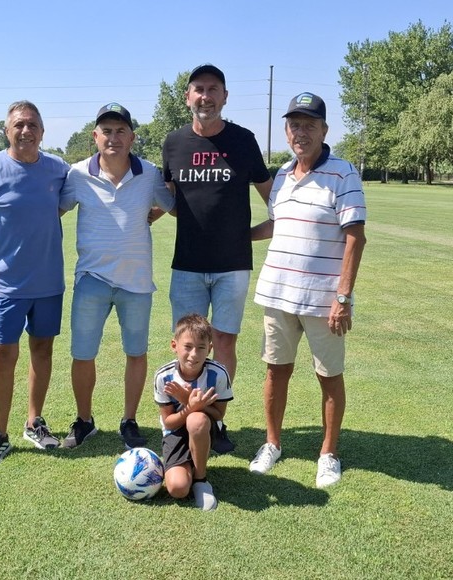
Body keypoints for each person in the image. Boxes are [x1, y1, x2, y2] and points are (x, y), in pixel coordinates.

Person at [248, 92, 367, 488]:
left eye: (309, 125)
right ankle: (272, 444)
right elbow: (275, 226)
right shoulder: (281, 175)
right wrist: (236, 237)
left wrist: (343, 298)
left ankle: (328, 453)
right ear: (287, 131)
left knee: (329, 376)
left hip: (323, 301)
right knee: (275, 372)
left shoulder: (343, 173)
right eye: (295, 125)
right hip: (278, 293)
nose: (301, 133)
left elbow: (355, 237)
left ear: (324, 130)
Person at [160, 63, 273, 453]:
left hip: (232, 265)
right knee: (188, 345)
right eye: (198, 90)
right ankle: (183, 419)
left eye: (213, 90)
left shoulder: (243, 140)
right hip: (187, 264)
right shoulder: (173, 142)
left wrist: (251, 235)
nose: (205, 97)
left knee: (224, 343)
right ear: (187, 97)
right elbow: (168, 201)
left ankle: (215, 418)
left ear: (225, 97)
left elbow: (276, 201)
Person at [0, 100, 70, 468]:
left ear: (42, 131)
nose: (26, 130)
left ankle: (34, 423)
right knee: (2, 356)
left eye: (32, 124)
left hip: (49, 282)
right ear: (7, 130)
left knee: (43, 351)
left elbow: (74, 195)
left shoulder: (57, 169)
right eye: (19, 124)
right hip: (6, 285)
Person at [58, 103, 175, 450]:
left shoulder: (150, 173)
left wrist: (150, 215)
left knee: (136, 353)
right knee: (82, 354)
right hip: (92, 278)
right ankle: (85, 421)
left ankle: (129, 420)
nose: (113, 137)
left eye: (121, 131)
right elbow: (55, 211)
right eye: (106, 131)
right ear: (95, 137)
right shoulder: (78, 174)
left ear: (132, 137)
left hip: (136, 282)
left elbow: (173, 205)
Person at [153, 313, 232, 511]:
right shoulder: (164, 376)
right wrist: (189, 406)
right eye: (187, 347)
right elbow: (169, 423)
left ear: (210, 349)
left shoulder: (218, 373)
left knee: (196, 421)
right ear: (174, 346)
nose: (194, 354)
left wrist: (192, 404)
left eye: (201, 348)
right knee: (178, 489)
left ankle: (201, 480)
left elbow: (218, 415)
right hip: (175, 430)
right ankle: (186, 464)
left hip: (204, 426)